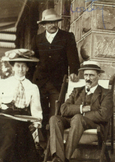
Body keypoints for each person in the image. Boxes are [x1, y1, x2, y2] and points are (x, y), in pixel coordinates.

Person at [42, 61, 113, 162]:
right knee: (54, 119)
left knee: (78, 118)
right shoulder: (77, 90)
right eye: (86, 75)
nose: (88, 78)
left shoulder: (105, 93)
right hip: (73, 120)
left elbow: (104, 114)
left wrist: (81, 115)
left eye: (91, 75)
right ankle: (58, 160)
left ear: (98, 76)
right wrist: (81, 109)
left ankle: (61, 161)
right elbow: (63, 109)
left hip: (92, 123)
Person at [30, 8, 80, 143]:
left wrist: (74, 72)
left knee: (55, 114)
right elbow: (31, 62)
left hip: (58, 83)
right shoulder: (37, 39)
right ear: (43, 25)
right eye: (48, 23)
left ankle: (53, 147)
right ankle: (42, 145)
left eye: (54, 22)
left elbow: (73, 58)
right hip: (39, 83)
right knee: (39, 113)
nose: (52, 25)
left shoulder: (67, 37)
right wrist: (29, 83)